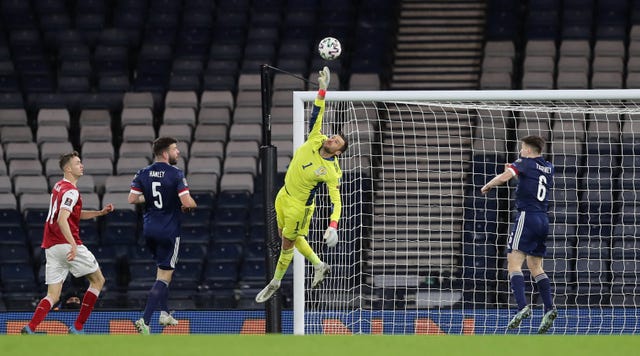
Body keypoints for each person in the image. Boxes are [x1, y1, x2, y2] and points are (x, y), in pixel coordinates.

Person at [255, 66, 349, 303]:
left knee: (287, 242)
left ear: (338, 152)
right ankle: (318, 264)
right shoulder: (316, 137)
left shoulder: (331, 170)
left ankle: (275, 282)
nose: (331, 138)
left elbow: (337, 201)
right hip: (283, 194)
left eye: (336, 141)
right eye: (333, 136)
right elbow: (317, 112)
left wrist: (333, 225)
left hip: (300, 206)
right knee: (282, 235)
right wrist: (322, 90)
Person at [22, 151, 115, 334]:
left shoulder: (58, 187)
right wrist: (73, 244)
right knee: (98, 280)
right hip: (66, 243)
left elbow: (72, 214)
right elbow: (62, 219)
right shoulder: (71, 191)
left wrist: (98, 213)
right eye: (78, 163)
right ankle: (78, 327)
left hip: (51, 246)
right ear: (68, 168)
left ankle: (30, 327)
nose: (82, 165)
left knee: (53, 295)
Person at [481, 135, 557, 334]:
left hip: (527, 216)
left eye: (522, 148)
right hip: (543, 219)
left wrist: (489, 184)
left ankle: (522, 306)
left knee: (513, 262)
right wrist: (517, 172)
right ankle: (549, 308)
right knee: (535, 265)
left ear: (529, 150)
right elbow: (531, 182)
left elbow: (505, 177)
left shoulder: (523, 162)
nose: (520, 151)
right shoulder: (548, 167)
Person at [128, 136, 197, 334]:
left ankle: (165, 313)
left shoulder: (143, 173)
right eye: (175, 149)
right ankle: (145, 320)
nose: (178, 152)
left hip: (149, 230)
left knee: (162, 270)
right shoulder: (175, 174)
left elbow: (132, 198)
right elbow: (187, 202)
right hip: (169, 231)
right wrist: (192, 204)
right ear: (166, 153)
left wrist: (148, 197)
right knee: (164, 277)